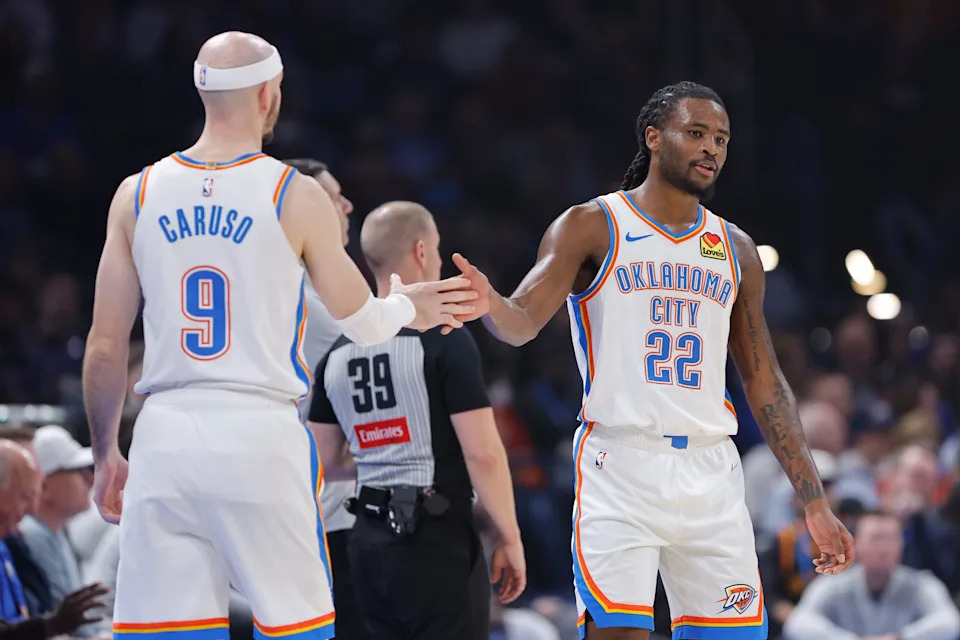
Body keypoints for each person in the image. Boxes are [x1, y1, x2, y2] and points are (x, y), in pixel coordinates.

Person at [81, 31, 478, 640]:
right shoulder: (293, 193)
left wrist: (105, 449)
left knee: (168, 633)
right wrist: (409, 306)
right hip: (257, 433)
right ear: (270, 95)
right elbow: (363, 323)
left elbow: (106, 347)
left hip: (162, 436)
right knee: (300, 629)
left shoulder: (135, 194)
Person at [451, 81, 855, 639]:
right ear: (654, 137)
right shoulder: (593, 225)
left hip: (712, 470)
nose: (711, 147)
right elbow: (520, 321)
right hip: (622, 463)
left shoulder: (735, 249)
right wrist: (489, 303)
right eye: (695, 133)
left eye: (721, 139)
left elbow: (764, 380)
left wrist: (813, 502)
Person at [308, 201, 526, 639]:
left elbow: (325, 461)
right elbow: (482, 452)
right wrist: (510, 536)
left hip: (364, 541)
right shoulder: (446, 337)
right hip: (435, 538)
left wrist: (382, 452)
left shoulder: (336, 352)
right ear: (422, 251)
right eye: (440, 252)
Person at [283, 157, 365, 639]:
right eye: (335, 196)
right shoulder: (313, 302)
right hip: (323, 505)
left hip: (317, 494)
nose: (347, 204)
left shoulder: (300, 287)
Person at [783, 511, 960, 640]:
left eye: (891, 539)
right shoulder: (834, 584)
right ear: (856, 544)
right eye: (876, 538)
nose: (884, 548)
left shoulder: (922, 583)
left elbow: (950, 622)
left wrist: (901, 638)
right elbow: (798, 623)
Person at [0, 440, 106, 640]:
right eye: (25, 497)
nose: (32, 509)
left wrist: (53, 625)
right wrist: (52, 625)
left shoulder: (9, 544)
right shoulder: (30, 535)